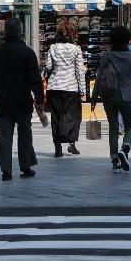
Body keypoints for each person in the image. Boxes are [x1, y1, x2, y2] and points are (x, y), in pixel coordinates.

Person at [0, 18, 45, 181]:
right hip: (22, 100)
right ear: (20, 32)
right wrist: (39, 98)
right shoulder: (27, 53)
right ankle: (26, 165)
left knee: (4, 137)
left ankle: (6, 170)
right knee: (25, 135)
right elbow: (35, 79)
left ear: (5, 32)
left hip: (3, 100)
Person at [90, 26, 131, 173]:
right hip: (127, 96)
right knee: (129, 127)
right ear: (128, 40)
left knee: (113, 128)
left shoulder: (107, 55)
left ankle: (114, 160)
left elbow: (99, 77)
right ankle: (125, 149)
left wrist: (94, 98)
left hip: (109, 96)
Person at [45, 19, 86, 158]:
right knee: (73, 117)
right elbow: (79, 70)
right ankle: (71, 143)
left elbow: (49, 67)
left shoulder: (53, 48)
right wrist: (83, 91)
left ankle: (58, 148)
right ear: (72, 33)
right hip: (71, 87)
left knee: (56, 117)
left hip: (54, 86)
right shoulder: (76, 49)